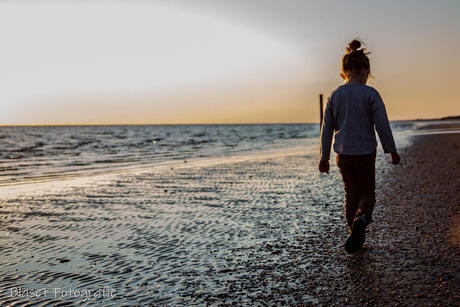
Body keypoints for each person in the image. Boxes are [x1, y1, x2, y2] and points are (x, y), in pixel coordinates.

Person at [319, 39, 400, 254]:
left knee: (350, 193)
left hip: (343, 154)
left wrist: (323, 157)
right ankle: (362, 218)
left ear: (344, 71)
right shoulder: (371, 94)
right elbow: (382, 125)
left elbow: (327, 128)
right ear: (365, 70)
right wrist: (391, 150)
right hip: (365, 152)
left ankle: (353, 232)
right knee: (367, 193)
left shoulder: (334, 95)